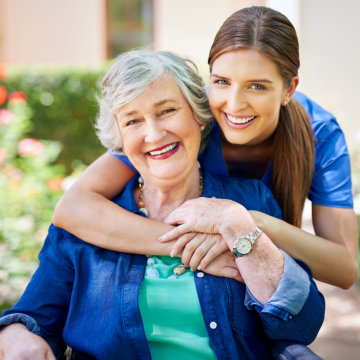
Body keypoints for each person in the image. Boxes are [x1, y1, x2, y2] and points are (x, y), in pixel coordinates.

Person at [0, 50, 324, 360]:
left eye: (167, 111)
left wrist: (239, 228)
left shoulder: (250, 200)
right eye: (132, 121)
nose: (154, 134)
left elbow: (302, 323)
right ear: (120, 142)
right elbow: (33, 315)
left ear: (199, 117)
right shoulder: (83, 228)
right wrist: (17, 332)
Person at [52, 6, 358, 289]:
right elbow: (73, 208)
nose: (234, 104)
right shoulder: (188, 116)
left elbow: (344, 269)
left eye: (257, 86)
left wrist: (248, 224)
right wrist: (184, 245)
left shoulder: (320, 133)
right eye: (222, 82)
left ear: (289, 89)